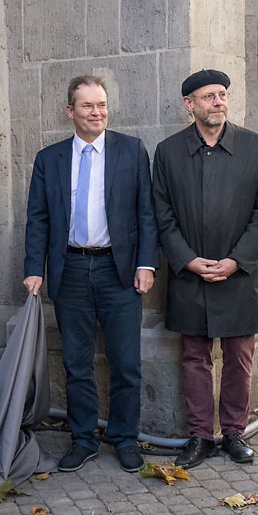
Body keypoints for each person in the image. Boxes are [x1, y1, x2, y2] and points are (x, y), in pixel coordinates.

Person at [24, 75, 158, 473]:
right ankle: (83, 438)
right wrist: (35, 270)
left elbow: (146, 214)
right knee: (77, 362)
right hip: (71, 269)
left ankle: (124, 437)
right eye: (87, 106)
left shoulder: (131, 151)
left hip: (119, 271)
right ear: (71, 111)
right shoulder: (50, 159)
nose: (96, 112)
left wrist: (145, 264)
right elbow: (38, 219)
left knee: (126, 362)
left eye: (101, 105)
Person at [152, 69, 258, 469]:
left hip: (239, 274)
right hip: (190, 274)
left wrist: (237, 260)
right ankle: (200, 436)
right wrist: (186, 259)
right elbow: (162, 213)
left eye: (222, 95)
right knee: (194, 356)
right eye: (208, 96)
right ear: (190, 104)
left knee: (240, 356)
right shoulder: (168, 152)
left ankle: (234, 433)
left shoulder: (256, 147)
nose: (218, 101)